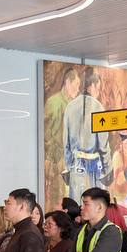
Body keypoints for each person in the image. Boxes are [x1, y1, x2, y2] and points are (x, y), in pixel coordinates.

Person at [63, 68, 109, 199]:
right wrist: (106, 169)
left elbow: (66, 144)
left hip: (76, 164)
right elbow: (103, 145)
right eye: (98, 88)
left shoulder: (70, 107)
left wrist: (70, 166)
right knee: (97, 204)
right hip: (95, 166)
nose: (98, 92)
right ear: (92, 86)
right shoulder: (99, 108)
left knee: (76, 205)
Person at [44, 68, 81, 201]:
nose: (77, 90)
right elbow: (46, 133)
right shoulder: (53, 102)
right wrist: (52, 156)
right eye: (76, 85)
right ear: (67, 82)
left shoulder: (75, 106)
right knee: (57, 199)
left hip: (71, 159)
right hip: (56, 159)